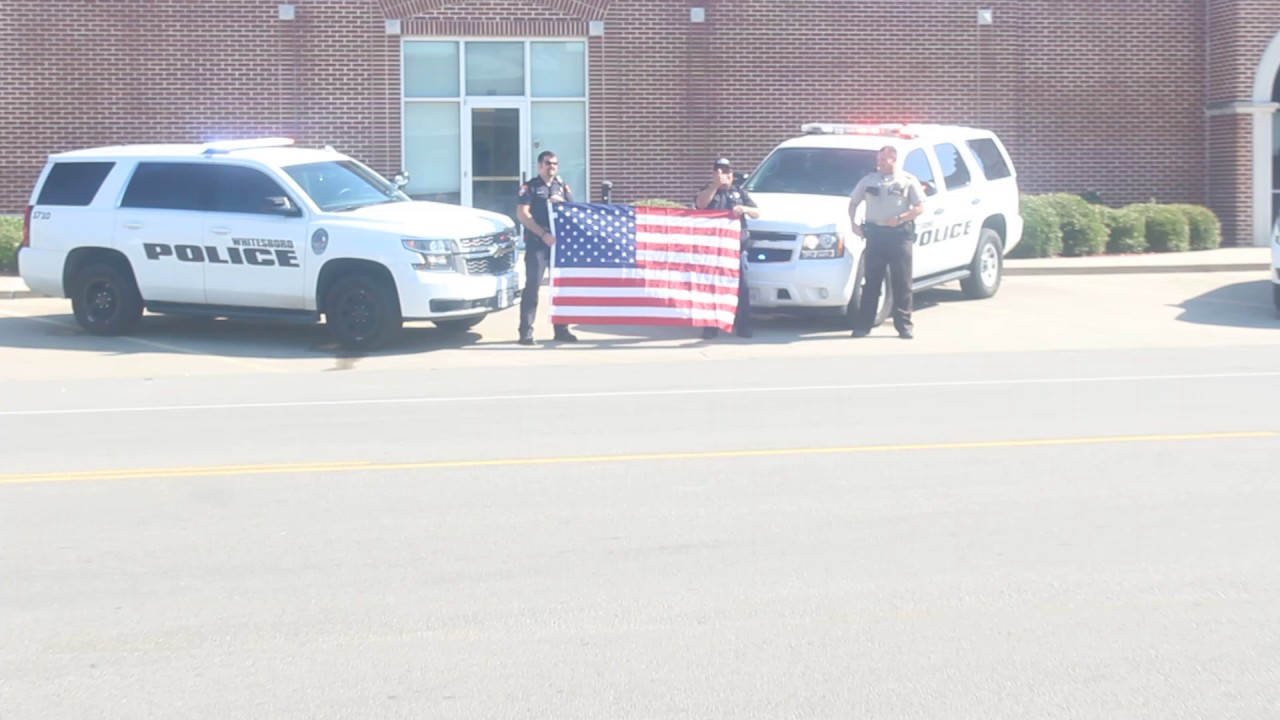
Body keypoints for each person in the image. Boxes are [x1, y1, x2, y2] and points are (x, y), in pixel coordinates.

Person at [847, 145, 926, 339]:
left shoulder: (907, 181)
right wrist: (853, 224)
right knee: (871, 282)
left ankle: (904, 326)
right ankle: (863, 325)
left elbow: (920, 207)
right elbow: (853, 202)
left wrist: (901, 218)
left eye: (883, 160)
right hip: (875, 236)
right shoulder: (868, 180)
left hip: (899, 236)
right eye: (878, 160)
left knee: (902, 282)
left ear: (893, 160)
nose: (879, 163)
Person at [515, 150, 577, 345]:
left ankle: (562, 330)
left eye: (555, 164)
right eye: (548, 163)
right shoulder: (531, 187)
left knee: (560, 288)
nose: (552, 167)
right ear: (539, 165)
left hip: (558, 245)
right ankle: (526, 333)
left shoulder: (562, 187)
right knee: (533, 287)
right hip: (537, 244)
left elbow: (573, 212)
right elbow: (523, 215)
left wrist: (563, 204)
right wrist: (543, 234)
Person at [693, 157, 759, 339]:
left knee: (741, 289)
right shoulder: (707, 191)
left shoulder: (740, 192)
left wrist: (744, 209)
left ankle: (743, 326)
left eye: (727, 172)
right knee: (710, 289)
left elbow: (757, 212)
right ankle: (710, 327)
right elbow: (700, 205)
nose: (724, 175)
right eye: (720, 172)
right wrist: (714, 186)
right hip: (712, 251)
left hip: (736, 250)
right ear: (714, 173)